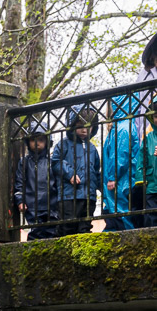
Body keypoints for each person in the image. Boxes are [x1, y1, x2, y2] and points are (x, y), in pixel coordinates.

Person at [51, 107, 100, 235]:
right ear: (72, 126)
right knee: (68, 226)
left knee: (85, 227)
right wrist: (69, 173)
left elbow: (96, 170)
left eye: (88, 126)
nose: (84, 130)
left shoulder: (92, 148)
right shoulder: (63, 144)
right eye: (80, 126)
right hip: (69, 195)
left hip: (89, 195)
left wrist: (101, 187)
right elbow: (56, 161)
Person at [14, 122, 59, 240]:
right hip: (32, 205)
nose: (37, 143)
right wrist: (20, 200)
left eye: (40, 140)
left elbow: (57, 183)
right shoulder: (25, 162)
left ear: (46, 142)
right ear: (28, 142)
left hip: (51, 205)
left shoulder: (52, 161)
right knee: (36, 232)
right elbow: (19, 183)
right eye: (33, 140)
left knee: (52, 233)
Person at [102, 94, 141, 231]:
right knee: (117, 214)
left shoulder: (122, 128)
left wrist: (112, 177)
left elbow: (119, 155)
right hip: (120, 180)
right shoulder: (122, 126)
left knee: (121, 214)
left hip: (120, 182)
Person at [135, 95, 157, 227]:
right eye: (155, 116)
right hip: (151, 186)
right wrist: (140, 179)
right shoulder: (148, 138)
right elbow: (141, 161)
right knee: (151, 218)